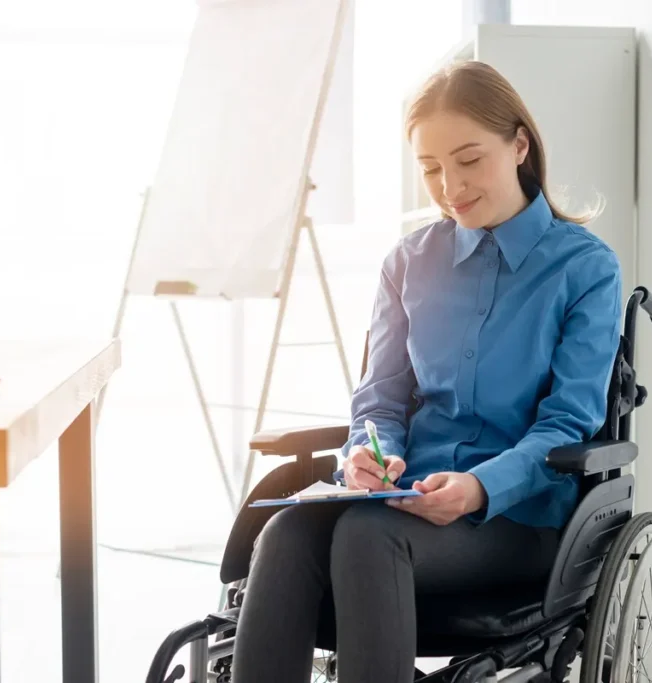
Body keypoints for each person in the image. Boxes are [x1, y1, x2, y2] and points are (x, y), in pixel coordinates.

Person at [231, 60, 623, 683]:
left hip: (519, 516)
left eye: (468, 161)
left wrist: (480, 487)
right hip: (400, 502)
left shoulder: (585, 269)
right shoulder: (409, 263)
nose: (449, 187)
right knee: (285, 532)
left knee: (366, 538)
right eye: (431, 169)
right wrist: (366, 453)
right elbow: (380, 400)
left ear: (519, 144)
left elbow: (570, 425)